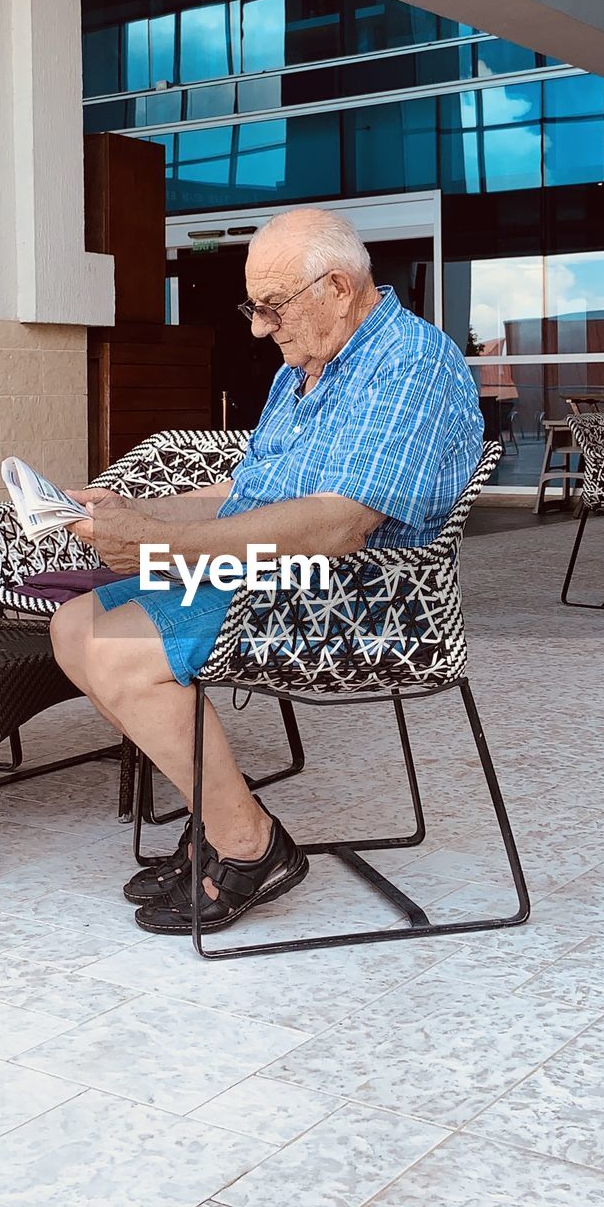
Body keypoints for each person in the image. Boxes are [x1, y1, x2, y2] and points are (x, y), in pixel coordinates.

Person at [50, 207, 483, 936]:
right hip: (268, 576)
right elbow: (242, 495)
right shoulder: (304, 368)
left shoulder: (412, 361)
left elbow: (343, 521)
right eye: (254, 306)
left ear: (338, 288)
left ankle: (251, 846)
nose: (258, 327)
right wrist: (131, 510)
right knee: (73, 627)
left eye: (272, 307)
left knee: (118, 653)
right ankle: (224, 821)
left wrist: (156, 542)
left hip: (357, 596)